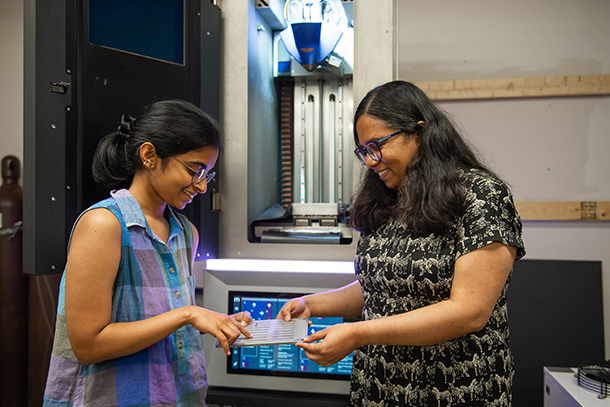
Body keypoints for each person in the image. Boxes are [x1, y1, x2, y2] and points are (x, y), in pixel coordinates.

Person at [278, 80, 526, 406]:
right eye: (364, 151)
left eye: (377, 146)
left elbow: (469, 312)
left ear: (418, 133)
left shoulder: (481, 195)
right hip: (380, 386)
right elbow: (382, 288)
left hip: (454, 388)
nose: (370, 161)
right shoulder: (388, 200)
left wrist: (357, 333)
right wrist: (315, 304)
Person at [43, 100, 251, 407]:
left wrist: (215, 322)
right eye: (195, 170)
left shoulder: (185, 233)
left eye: (208, 174)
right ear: (150, 155)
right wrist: (188, 314)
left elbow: (164, 326)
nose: (203, 186)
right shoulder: (104, 224)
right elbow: (88, 345)